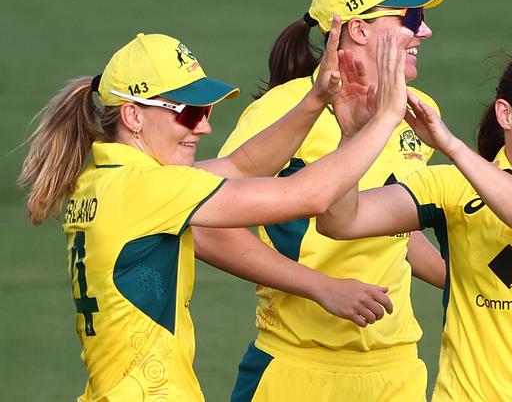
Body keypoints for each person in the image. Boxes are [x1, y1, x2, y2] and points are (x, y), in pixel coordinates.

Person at [17, 29, 409, 401]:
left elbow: (243, 165)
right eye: (188, 113)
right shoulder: (149, 191)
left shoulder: (106, 181)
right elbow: (311, 196)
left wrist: (315, 100)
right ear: (133, 116)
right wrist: (385, 119)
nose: (204, 127)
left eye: (205, 110)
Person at [317, 47, 512, 401]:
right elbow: (339, 221)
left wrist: (451, 146)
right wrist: (352, 137)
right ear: (505, 114)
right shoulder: (450, 187)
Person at [209, 0, 449, 402]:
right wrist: (320, 287)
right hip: (298, 370)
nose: (424, 30)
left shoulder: (414, 112)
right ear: (358, 28)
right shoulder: (287, 110)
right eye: (410, 17)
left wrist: (462, 280)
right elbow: (207, 228)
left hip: (396, 371)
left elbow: (389, 223)